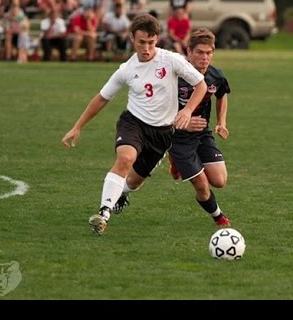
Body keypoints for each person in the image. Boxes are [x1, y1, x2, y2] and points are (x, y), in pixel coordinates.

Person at [61, 14, 207, 235]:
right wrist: (78, 126)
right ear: (132, 39)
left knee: (135, 182)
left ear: (157, 39)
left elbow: (201, 84)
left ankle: (121, 194)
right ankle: (103, 214)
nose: (146, 48)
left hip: (162, 134)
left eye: (151, 42)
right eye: (141, 42)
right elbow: (102, 98)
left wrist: (186, 110)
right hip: (134, 123)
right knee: (125, 158)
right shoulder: (126, 69)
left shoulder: (171, 60)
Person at [114, 28, 231, 227]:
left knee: (219, 180)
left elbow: (221, 94)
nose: (205, 58)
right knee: (136, 181)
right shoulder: (173, 77)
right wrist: (182, 121)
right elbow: (155, 109)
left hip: (202, 135)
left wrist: (221, 122)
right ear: (189, 52)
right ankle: (219, 218)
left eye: (209, 53)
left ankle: (178, 163)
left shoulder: (215, 75)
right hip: (172, 136)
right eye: (200, 53)